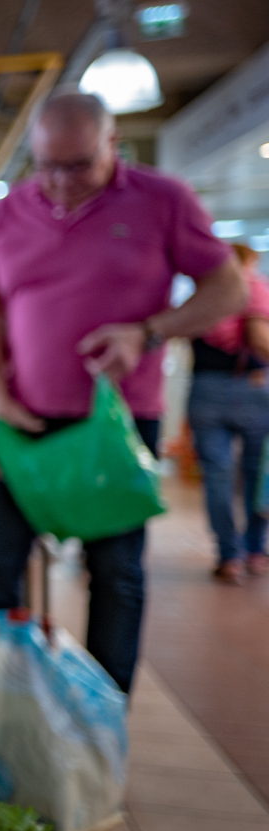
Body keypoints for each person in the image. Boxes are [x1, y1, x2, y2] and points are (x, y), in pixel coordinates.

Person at [0, 91, 245, 693]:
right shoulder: (9, 212)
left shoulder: (163, 200)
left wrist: (149, 332)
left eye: (79, 165)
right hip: (23, 425)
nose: (61, 182)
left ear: (113, 145)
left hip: (114, 428)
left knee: (115, 575)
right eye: (47, 166)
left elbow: (228, 290)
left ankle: (103, 716)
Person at [188, 242, 269, 584]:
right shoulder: (251, 289)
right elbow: (258, 337)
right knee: (255, 473)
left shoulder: (202, 294)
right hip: (251, 388)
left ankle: (228, 554)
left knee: (217, 476)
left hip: (205, 389)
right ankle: (255, 549)